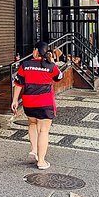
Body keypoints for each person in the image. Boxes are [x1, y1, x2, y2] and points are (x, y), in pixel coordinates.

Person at [11, 41, 64, 170]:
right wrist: (52, 62)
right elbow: (59, 77)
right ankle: (41, 161)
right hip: (45, 103)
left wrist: (14, 100)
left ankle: (34, 150)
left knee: (32, 124)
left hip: (29, 102)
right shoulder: (50, 66)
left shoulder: (25, 65)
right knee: (43, 130)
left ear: (35, 51)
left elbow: (18, 83)